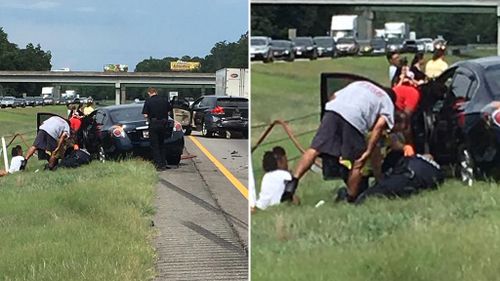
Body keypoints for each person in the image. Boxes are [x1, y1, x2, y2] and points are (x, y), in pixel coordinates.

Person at [282, 81, 401, 203]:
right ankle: (350, 198)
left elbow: (333, 96)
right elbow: (378, 127)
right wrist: (368, 151)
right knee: (358, 163)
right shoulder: (387, 103)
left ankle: (293, 182)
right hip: (355, 119)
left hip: (333, 110)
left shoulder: (361, 84)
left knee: (315, 149)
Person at [354, 154, 444, 204]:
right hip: (413, 182)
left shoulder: (414, 158)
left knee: (377, 190)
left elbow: (398, 167)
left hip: (404, 176)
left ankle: (359, 200)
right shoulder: (438, 173)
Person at [142, 87, 172, 171]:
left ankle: (158, 164)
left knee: (155, 145)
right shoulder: (164, 100)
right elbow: (169, 111)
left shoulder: (148, 101)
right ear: (156, 92)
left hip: (154, 124)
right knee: (162, 144)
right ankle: (163, 163)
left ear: (149, 93)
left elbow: (145, 114)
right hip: (163, 123)